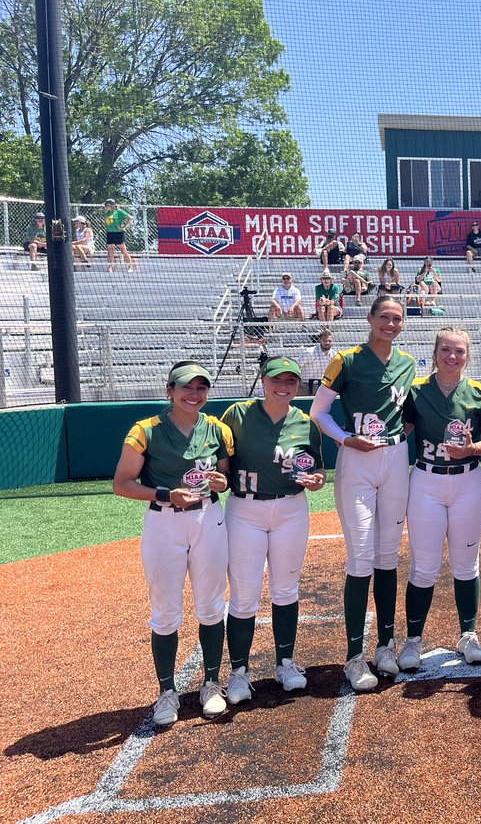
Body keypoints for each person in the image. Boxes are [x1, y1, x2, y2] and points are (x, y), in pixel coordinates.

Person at [111, 361, 233, 726]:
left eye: (201, 388)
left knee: (212, 606)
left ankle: (211, 684)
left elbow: (224, 474)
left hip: (208, 518)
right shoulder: (145, 431)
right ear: (170, 391)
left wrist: (221, 484)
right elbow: (122, 483)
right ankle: (167, 692)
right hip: (164, 521)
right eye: (186, 388)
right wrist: (166, 493)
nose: (194, 395)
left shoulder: (218, 428)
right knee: (165, 611)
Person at [310, 295, 416, 691]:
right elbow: (318, 413)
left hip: (394, 459)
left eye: (397, 318)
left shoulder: (407, 364)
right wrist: (345, 440)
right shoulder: (347, 360)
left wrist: (394, 439)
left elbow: (406, 415)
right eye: (384, 317)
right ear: (370, 318)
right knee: (361, 556)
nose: (391, 323)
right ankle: (355, 655)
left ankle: (385, 645)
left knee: (388, 554)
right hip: (356, 461)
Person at [220, 357, 327, 705]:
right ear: (263, 381)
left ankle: (285, 663)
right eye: (277, 379)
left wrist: (315, 482)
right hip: (245, 508)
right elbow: (220, 460)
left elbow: (318, 473)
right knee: (244, 593)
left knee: (285, 589)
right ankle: (239, 672)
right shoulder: (237, 415)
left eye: (291, 381)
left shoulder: (305, 422)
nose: (284, 386)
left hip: (291, 509)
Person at [399, 327, 481, 671]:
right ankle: (413, 640)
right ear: (435, 352)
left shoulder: (480, 393)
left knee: (466, 563)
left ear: (467, 356)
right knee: (424, 566)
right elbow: (401, 432)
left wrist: (472, 448)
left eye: (459, 351)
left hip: (468, 481)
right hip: (426, 479)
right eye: (446, 350)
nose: (452, 356)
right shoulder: (415, 392)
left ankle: (468, 634)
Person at [299, 328, 337, 395]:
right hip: (305, 384)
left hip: (322, 385)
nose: (327, 343)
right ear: (320, 340)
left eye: (330, 341)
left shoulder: (334, 355)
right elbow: (297, 365)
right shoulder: (309, 352)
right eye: (325, 341)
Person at [104, 199, 136, 273]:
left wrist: (124, 227)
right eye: (106, 205)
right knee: (110, 251)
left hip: (119, 233)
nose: (106, 206)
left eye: (108, 205)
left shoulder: (119, 212)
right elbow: (107, 223)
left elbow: (130, 218)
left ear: (112, 205)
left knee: (123, 250)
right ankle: (110, 267)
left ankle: (130, 266)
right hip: (110, 233)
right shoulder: (107, 214)